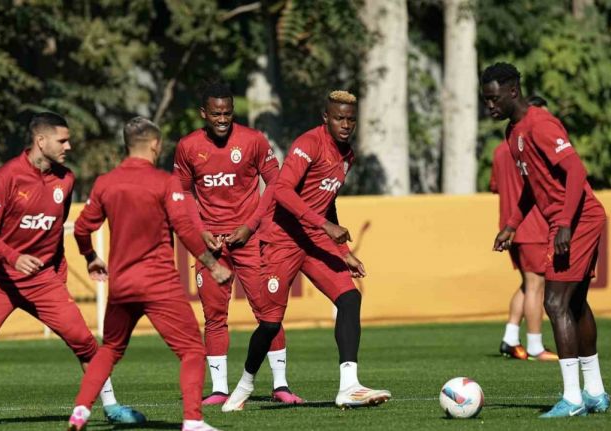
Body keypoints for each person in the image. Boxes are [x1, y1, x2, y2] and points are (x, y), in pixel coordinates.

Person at [0, 113, 144, 430]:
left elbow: (54, 231)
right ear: (40, 141)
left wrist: (84, 258)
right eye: (62, 140)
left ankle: (112, 407)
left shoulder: (66, 179)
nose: (69, 146)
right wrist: (14, 257)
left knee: (84, 341)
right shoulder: (5, 178)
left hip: (42, 281)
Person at [222, 91, 391, 412]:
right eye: (339, 118)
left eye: (351, 119)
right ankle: (244, 386)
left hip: (314, 240)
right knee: (270, 324)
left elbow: (327, 202)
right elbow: (281, 190)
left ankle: (349, 386)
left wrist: (343, 251)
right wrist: (325, 227)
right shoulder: (309, 144)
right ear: (325, 118)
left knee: (349, 298)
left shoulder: (347, 155)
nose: (345, 125)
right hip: (282, 239)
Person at [67, 117, 232, 431]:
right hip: (158, 283)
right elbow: (184, 228)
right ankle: (193, 421)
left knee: (110, 349)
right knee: (192, 350)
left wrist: (90, 256)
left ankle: (80, 412)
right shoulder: (164, 181)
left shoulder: (105, 183)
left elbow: (81, 228)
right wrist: (213, 265)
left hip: (122, 284)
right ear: (155, 145)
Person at [484, 62, 610, 418]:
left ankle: (572, 398)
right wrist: (512, 225)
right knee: (575, 304)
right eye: (485, 100)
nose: (490, 106)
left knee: (555, 303)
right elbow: (531, 186)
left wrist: (565, 223)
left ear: (513, 91)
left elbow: (576, 170)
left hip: (578, 219)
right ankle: (595, 392)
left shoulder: (539, 123)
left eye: (494, 99)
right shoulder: (512, 132)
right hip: (568, 220)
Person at [173, 81, 301, 405]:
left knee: (269, 313)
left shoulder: (253, 140)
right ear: (204, 113)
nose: (222, 120)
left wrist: (250, 225)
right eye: (216, 114)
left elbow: (276, 182)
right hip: (211, 246)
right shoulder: (188, 147)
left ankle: (281, 386)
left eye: (227, 113)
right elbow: (184, 192)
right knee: (214, 316)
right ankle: (219, 389)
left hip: (250, 240)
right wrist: (200, 231)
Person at [490, 95, 557, 361]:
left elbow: (495, 186)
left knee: (528, 283)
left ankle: (510, 338)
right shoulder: (532, 145)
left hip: (509, 226)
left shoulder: (500, 150)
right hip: (533, 224)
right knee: (536, 284)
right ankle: (535, 345)